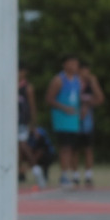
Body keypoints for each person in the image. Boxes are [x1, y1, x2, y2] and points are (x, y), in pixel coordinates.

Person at [47, 56, 85, 189]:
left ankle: (72, 174)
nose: (74, 66)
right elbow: (49, 99)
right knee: (65, 148)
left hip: (74, 121)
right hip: (62, 121)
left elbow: (77, 99)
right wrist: (64, 108)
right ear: (65, 64)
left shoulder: (77, 80)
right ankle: (63, 175)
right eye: (71, 63)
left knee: (73, 149)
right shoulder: (58, 80)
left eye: (76, 63)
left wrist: (81, 109)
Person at [79, 60, 105, 190]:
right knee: (74, 149)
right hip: (73, 120)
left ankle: (88, 176)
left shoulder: (91, 83)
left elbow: (100, 99)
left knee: (88, 148)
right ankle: (75, 175)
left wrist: (93, 82)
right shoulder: (74, 83)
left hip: (87, 122)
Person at [17, 69, 38, 181]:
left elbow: (32, 106)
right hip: (11, 123)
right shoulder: (10, 85)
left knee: (23, 145)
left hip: (23, 122)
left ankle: (36, 170)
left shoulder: (27, 88)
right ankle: (19, 172)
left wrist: (33, 123)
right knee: (17, 149)